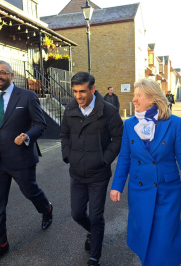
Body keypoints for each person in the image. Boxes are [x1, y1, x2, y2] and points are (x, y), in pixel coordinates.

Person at [110, 79, 181, 266]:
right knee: (144, 237)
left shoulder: (174, 123)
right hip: (139, 191)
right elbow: (124, 157)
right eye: (134, 95)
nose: (134, 100)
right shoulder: (130, 124)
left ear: (152, 98)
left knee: (163, 240)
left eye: (138, 95)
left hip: (166, 192)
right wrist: (117, 186)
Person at [0, 61, 53, 265]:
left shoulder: (27, 96)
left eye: (2, 73)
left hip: (21, 158)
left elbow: (40, 125)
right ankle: (0, 245)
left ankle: (46, 209)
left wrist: (26, 136)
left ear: (11, 75)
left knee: (31, 192)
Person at [60, 72, 123, 266]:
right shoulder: (70, 109)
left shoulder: (109, 111)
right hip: (77, 173)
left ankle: (95, 256)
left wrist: (105, 160)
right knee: (77, 214)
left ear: (93, 89)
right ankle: (93, 232)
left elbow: (118, 138)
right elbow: (64, 134)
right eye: (75, 92)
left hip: (98, 174)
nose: (78, 96)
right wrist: (67, 155)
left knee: (96, 217)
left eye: (83, 91)